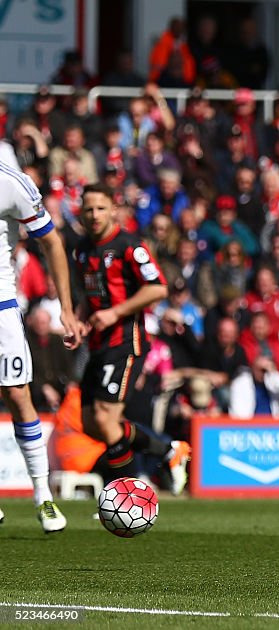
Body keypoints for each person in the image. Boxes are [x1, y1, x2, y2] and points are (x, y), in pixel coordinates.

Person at [72, 183, 191, 496]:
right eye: (88, 209)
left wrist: (115, 313)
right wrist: (79, 319)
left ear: (113, 209)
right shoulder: (82, 249)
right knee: (90, 423)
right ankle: (167, 451)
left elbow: (158, 288)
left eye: (100, 208)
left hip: (126, 341)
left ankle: (127, 496)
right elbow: (89, 295)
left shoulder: (129, 245)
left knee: (105, 419)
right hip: (97, 344)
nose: (94, 215)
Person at [0, 161, 81, 532]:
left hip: (1, 306)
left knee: (18, 395)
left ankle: (42, 495)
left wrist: (65, 307)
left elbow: (51, 241)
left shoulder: (11, 183)